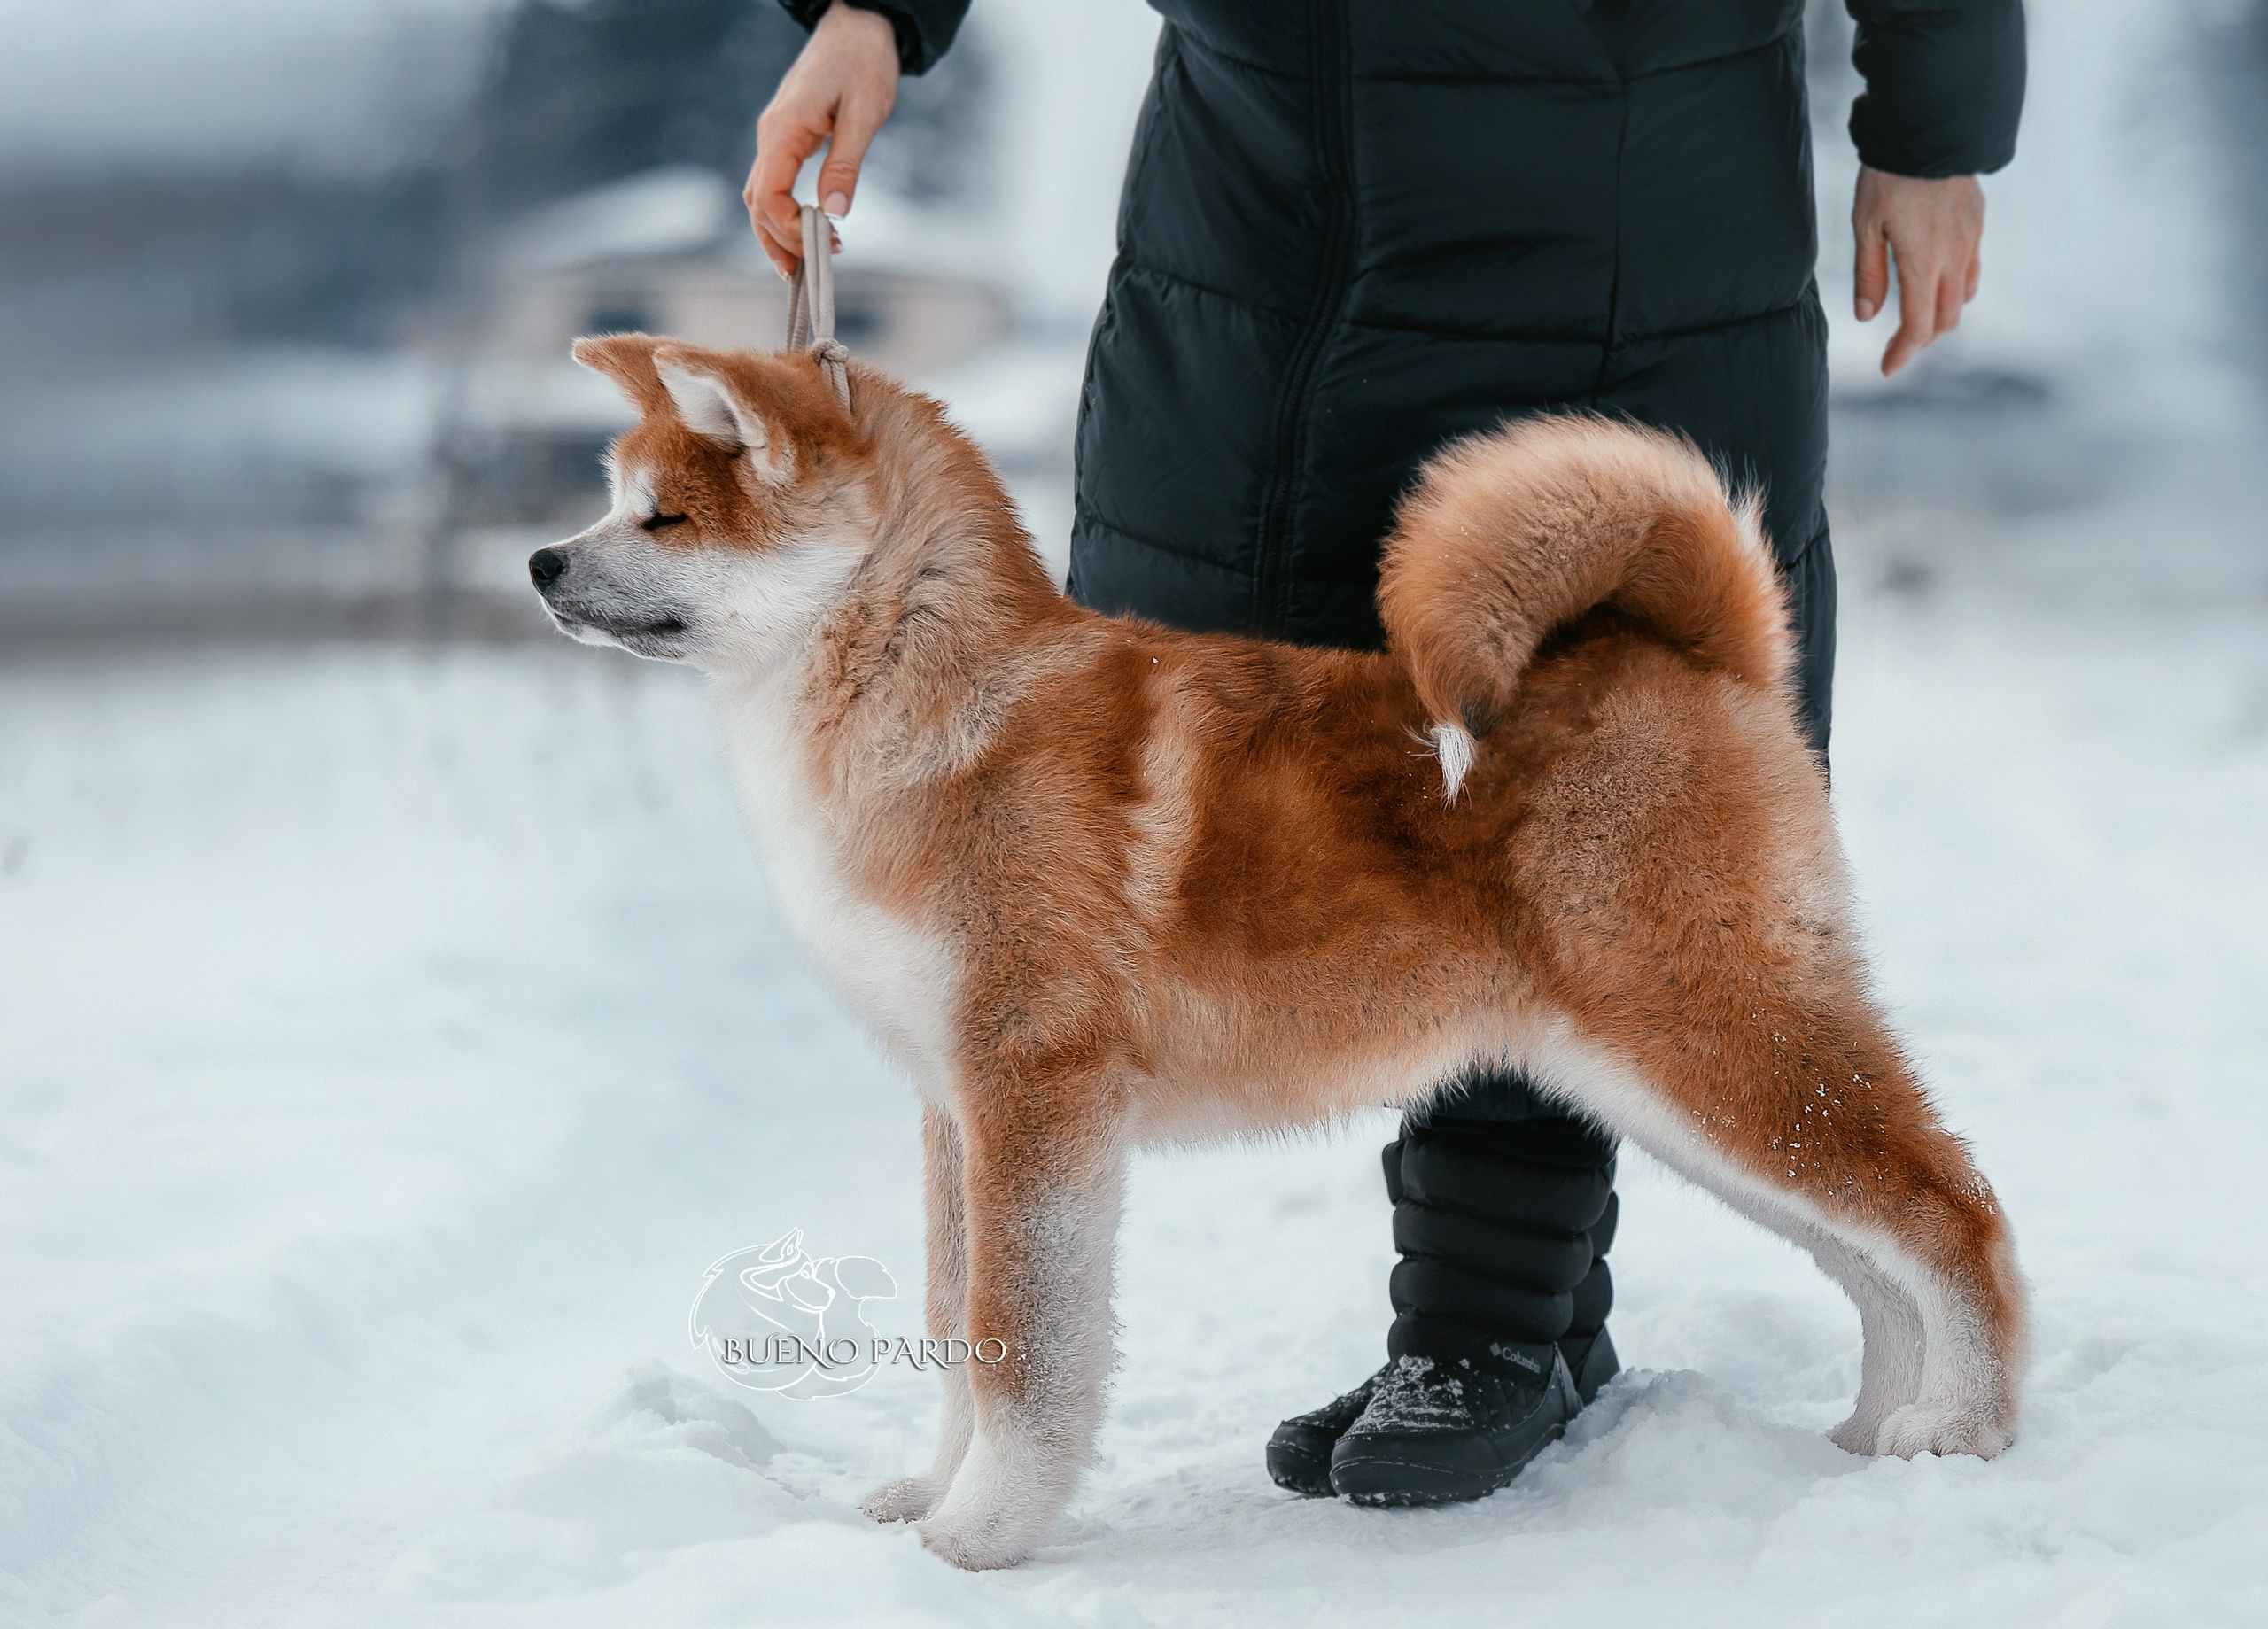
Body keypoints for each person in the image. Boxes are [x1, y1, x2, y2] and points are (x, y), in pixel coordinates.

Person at [750, 0, 2024, 1507]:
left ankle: (1496, 1317)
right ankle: (1486, 1324)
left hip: (1611, 205)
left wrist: (1933, 133)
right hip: (1254, 235)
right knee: (1276, 834)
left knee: (1579, 849)